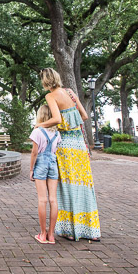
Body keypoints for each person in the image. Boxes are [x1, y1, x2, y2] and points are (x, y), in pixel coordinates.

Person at [36, 67, 101, 241]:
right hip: (79, 144)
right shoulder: (70, 92)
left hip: (65, 146)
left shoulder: (50, 96)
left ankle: (70, 230)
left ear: (44, 81)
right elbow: (85, 115)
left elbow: (56, 119)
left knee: (66, 184)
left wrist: (39, 126)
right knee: (84, 183)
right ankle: (90, 229)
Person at [29, 104, 60, 245]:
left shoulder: (37, 131)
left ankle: (42, 234)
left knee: (43, 200)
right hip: (53, 164)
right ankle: (51, 235)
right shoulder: (57, 133)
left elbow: (34, 152)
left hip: (41, 164)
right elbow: (55, 150)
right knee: (53, 199)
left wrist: (31, 169)